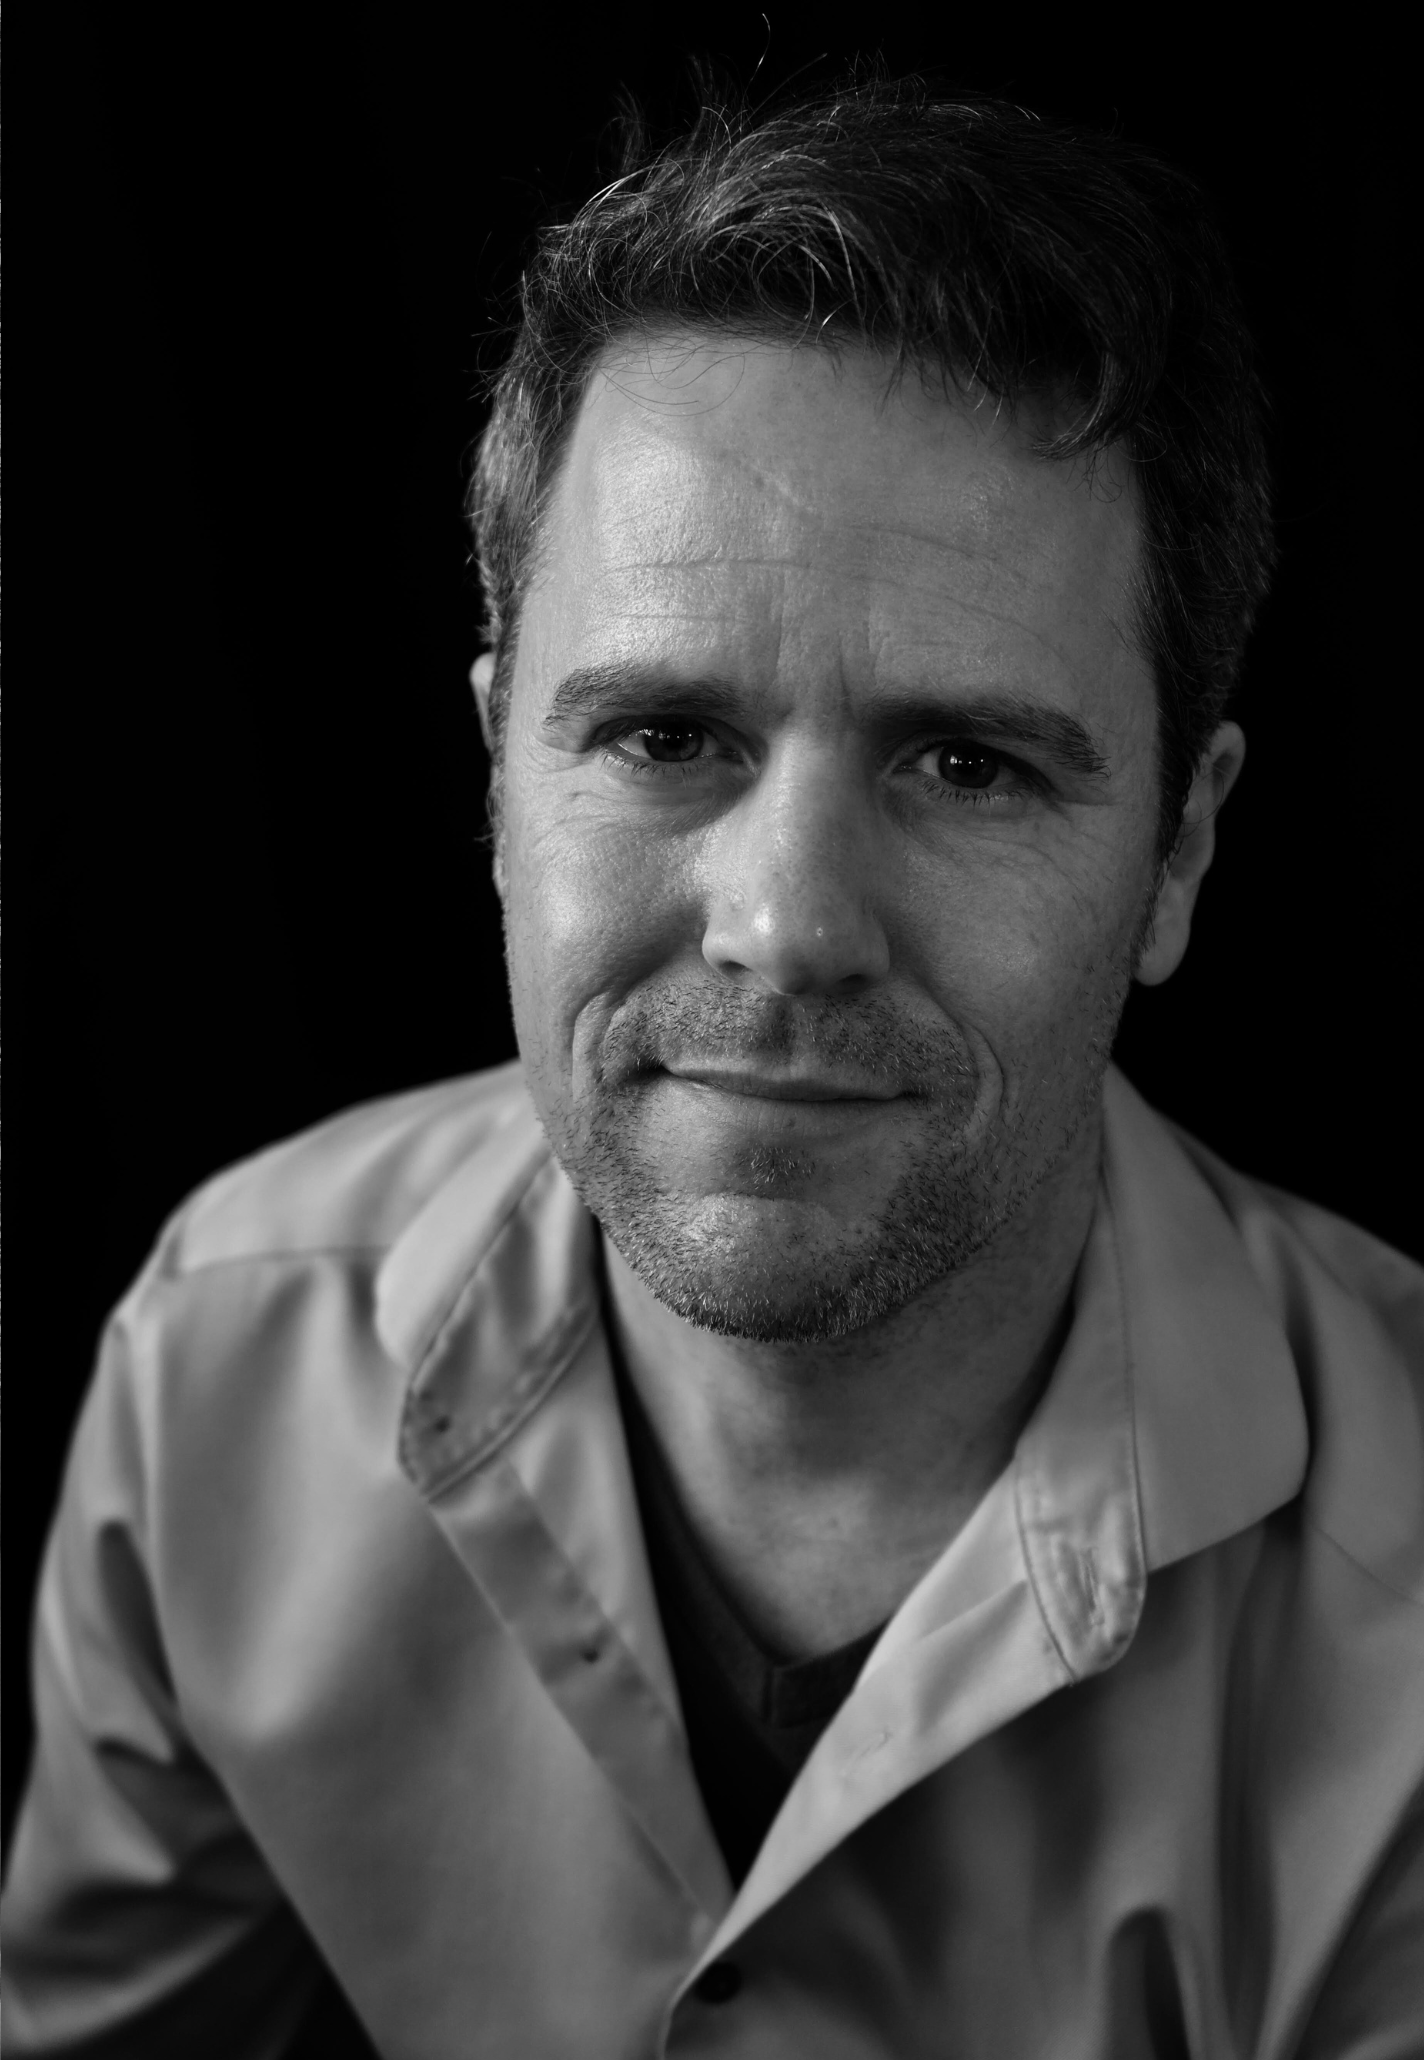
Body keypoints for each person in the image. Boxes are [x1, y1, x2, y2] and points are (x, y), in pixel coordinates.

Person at [4, 73, 1421, 2060]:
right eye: (665, 738)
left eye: (967, 764)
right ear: (498, 781)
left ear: (1180, 848)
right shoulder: (218, 1369)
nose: (786, 921)